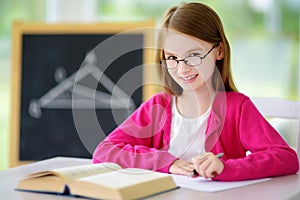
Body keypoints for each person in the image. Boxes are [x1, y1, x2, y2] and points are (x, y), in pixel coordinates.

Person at [92, 2, 299, 181]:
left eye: (194, 55)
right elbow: (104, 151)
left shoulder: (237, 107)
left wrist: (227, 167)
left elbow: (286, 158)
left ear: (219, 51)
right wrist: (165, 162)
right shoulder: (157, 107)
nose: (182, 69)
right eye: (172, 58)